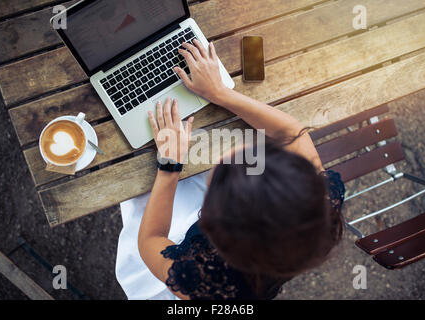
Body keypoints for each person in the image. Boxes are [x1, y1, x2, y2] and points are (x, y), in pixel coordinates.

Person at [115, 40, 345, 300]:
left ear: (213, 220)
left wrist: (169, 165)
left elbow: (150, 241)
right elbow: (292, 134)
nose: (226, 154)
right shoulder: (319, 206)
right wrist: (220, 92)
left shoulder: (202, 280)